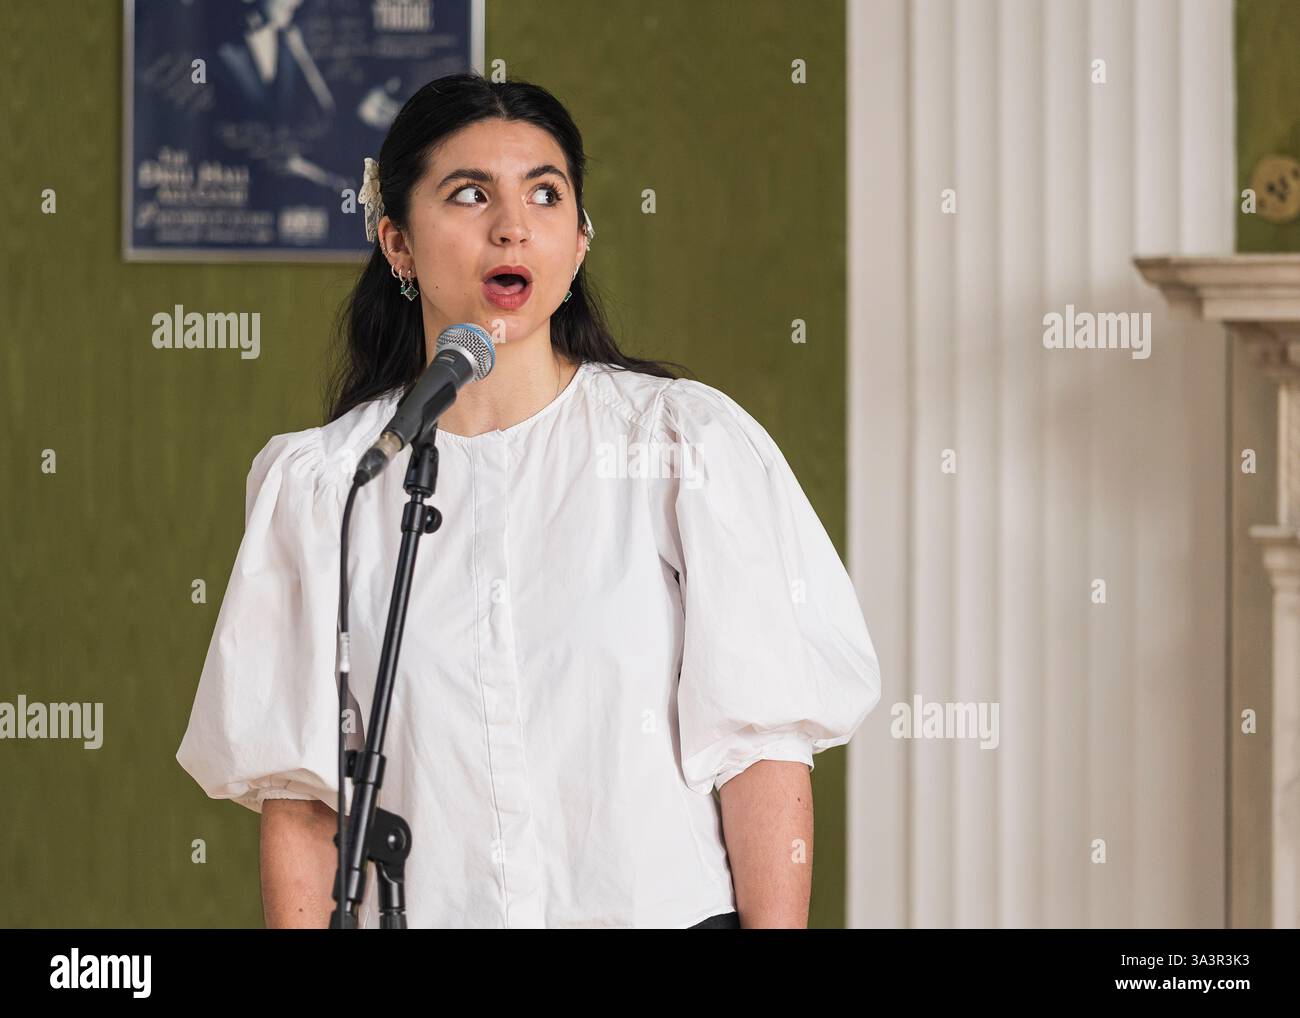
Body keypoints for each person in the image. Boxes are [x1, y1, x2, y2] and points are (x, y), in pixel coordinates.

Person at [175, 72, 881, 929]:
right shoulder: (331, 485)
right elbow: (305, 799)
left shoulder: (679, 446)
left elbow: (761, 753)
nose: (512, 225)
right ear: (397, 243)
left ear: (578, 241)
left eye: (545, 194)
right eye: (469, 194)